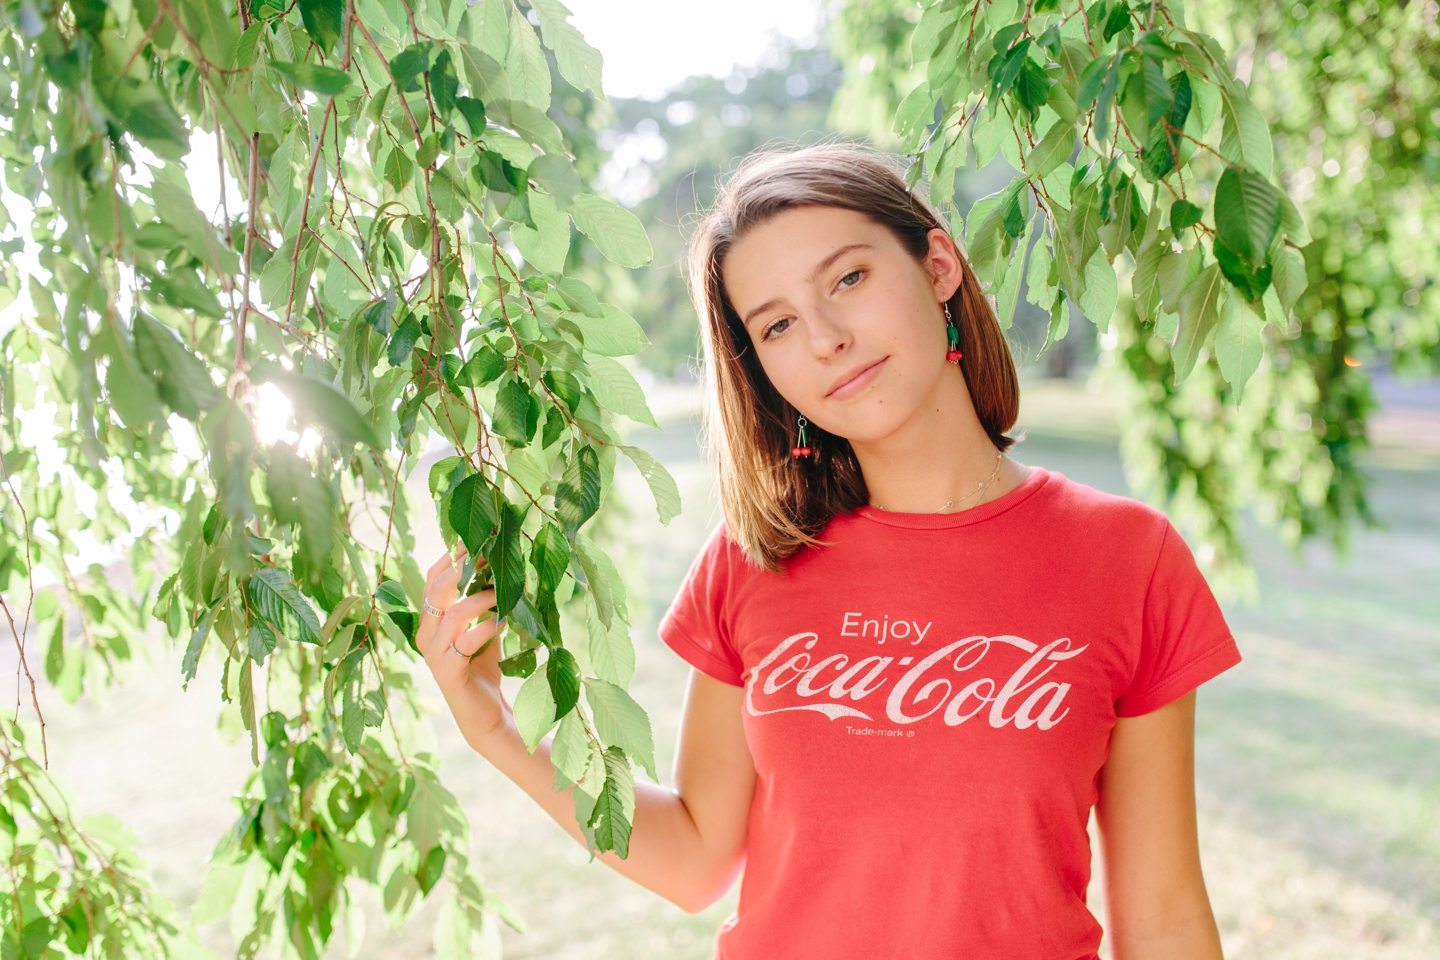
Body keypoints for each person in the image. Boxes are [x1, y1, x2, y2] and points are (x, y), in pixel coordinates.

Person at [413, 144, 1240, 960]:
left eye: (849, 279)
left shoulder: (1126, 557)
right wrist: (494, 725)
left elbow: (1163, 918)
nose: (825, 338)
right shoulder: (755, 558)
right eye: (777, 325)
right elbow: (698, 857)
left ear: (938, 265)